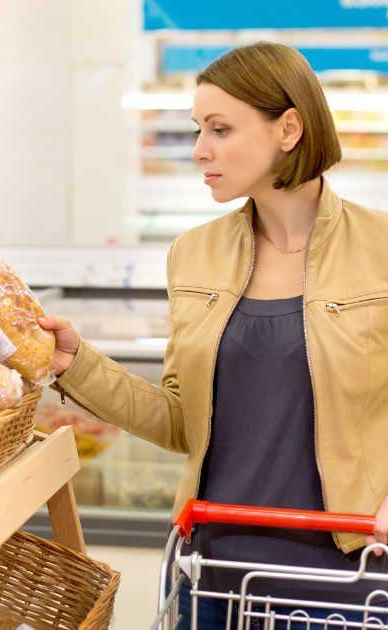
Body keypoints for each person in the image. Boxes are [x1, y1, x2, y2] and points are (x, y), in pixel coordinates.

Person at [37, 42, 388, 627]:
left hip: (350, 565)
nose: (200, 150)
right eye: (199, 129)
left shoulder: (381, 248)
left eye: (221, 129)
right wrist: (76, 365)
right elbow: (181, 421)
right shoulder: (193, 255)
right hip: (215, 566)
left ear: (290, 128)